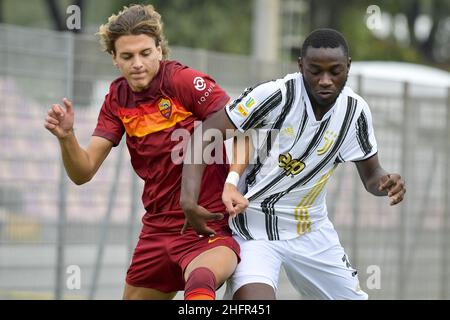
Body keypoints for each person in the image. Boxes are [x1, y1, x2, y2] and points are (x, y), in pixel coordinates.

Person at [180, 28, 406, 300]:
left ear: (348, 67)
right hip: (254, 228)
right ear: (301, 65)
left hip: (311, 230)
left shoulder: (355, 111)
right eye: (315, 71)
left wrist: (385, 183)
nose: (325, 81)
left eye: (335, 71)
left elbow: (372, 177)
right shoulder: (275, 95)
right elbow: (204, 134)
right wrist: (188, 200)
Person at [44, 4, 240, 300]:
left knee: (200, 282)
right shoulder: (117, 99)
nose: (137, 63)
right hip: (156, 232)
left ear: (159, 50)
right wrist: (67, 137)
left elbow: (241, 129)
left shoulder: (183, 82)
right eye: (127, 56)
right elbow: (83, 172)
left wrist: (233, 182)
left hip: (205, 224)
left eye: (145, 53)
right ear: (114, 59)